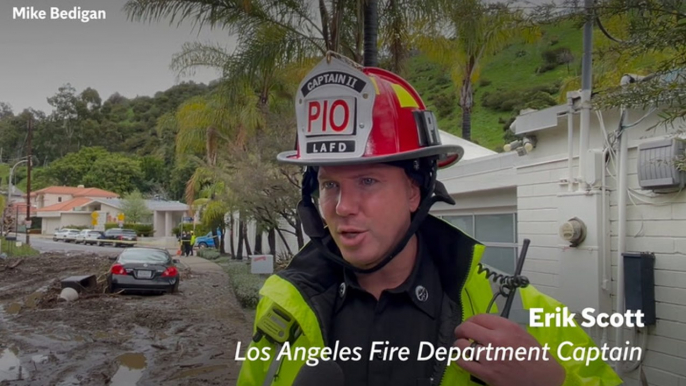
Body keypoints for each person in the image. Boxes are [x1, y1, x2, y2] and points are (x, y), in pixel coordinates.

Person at [237, 55, 622, 386]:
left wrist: (555, 382)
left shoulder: (516, 311)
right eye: (329, 184)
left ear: (414, 191)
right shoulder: (282, 308)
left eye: (368, 181)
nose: (342, 207)